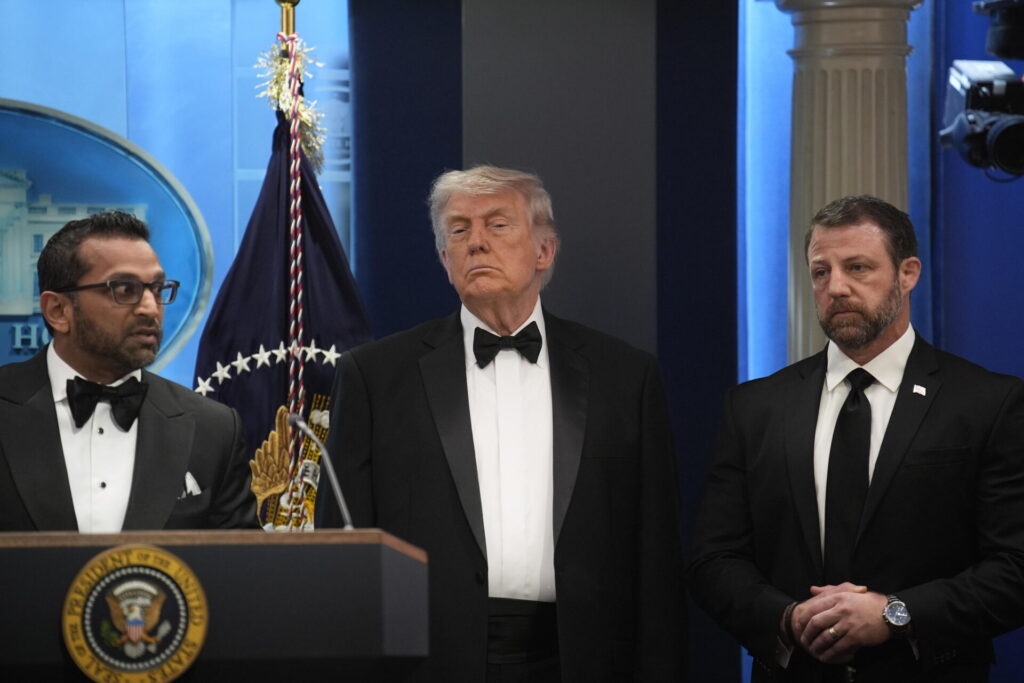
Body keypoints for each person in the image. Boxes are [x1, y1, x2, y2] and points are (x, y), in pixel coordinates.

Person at [321, 165, 685, 681]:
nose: (476, 242)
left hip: (585, 661)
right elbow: (343, 554)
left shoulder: (625, 377)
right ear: (444, 259)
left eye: (497, 224)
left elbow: (657, 561)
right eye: (458, 230)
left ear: (544, 251)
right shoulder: (374, 377)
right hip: (427, 663)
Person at [688, 195, 1024, 682]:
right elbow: (713, 560)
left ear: (908, 274)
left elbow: (1015, 566)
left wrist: (896, 615)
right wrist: (789, 618)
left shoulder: (987, 402)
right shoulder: (754, 407)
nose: (836, 287)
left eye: (858, 268)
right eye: (820, 272)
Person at [0, 211, 255, 531]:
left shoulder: (214, 429)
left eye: (157, 289)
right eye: (124, 290)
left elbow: (239, 559)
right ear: (58, 310)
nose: (150, 308)